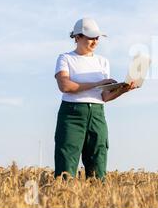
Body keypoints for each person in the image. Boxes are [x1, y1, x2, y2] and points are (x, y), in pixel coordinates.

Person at [53, 17, 135, 180]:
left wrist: (123, 90)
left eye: (97, 37)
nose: (95, 41)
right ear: (77, 37)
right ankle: (62, 203)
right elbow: (65, 86)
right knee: (66, 165)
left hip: (97, 115)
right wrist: (97, 83)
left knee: (98, 164)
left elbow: (104, 96)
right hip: (72, 114)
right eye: (90, 37)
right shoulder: (65, 58)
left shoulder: (103, 61)